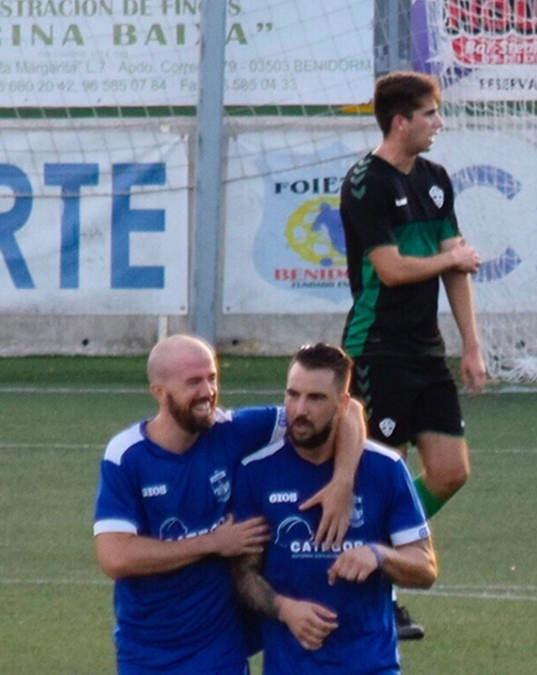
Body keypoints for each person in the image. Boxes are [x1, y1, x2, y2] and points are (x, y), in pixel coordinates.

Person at [93, 335, 364, 675]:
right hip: (146, 648)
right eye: (193, 382)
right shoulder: (126, 455)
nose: (208, 392)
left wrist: (342, 482)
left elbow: (347, 409)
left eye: (212, 377)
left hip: (219, 646)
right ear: (158, 391)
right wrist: (214, 543)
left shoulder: (232, 430)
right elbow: (116, 557)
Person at [338, 70, 485, 638]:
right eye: (429, 114)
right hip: (376, 350)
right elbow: (392, 269)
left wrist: (470, 345)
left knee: (450, 472)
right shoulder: (364, 184)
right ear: (400, 120)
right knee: (379, 472)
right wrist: (452, 261)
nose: (438, 124)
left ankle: (381, 553)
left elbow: (457, 261)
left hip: (426, 352)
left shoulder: (436, 180)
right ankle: (380, 586)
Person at [231, 343, 436, 675]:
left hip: (371, 665)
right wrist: (285, 610)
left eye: (315, 398)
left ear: (343, 403)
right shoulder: (256, 473)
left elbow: (425, 567)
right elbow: (242, 574)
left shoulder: (385, 469)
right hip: (290, 668)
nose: (299, 410)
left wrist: (379, 555)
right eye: (292, 394)